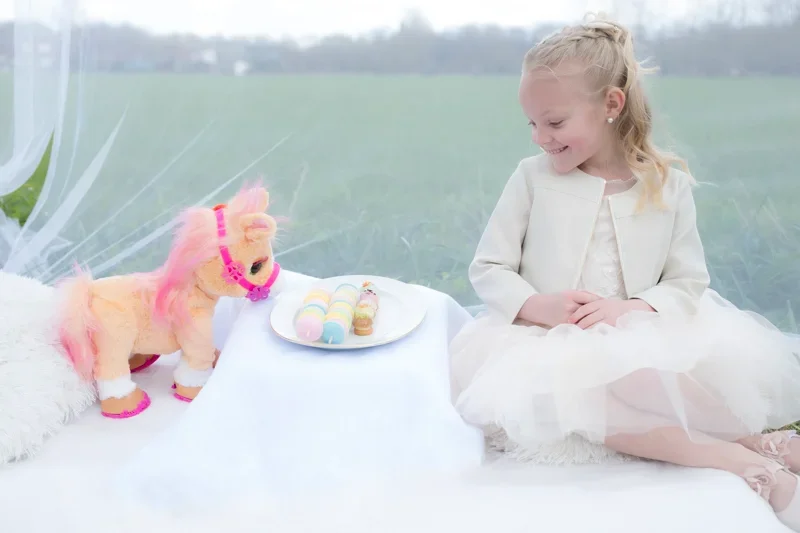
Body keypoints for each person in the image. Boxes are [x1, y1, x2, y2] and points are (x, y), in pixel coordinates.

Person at [449, 13, 800, 531]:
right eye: (532, 124)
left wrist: (631, 311)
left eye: (555, 122)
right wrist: (537, 305)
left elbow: (687, 280)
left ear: (611, 105)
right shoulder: (530, 179)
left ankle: (751, 441)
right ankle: (745, 459)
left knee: (640, 377)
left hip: (634, 333)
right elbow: (490, 266)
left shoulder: (666, 186)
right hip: (544, 341)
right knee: (579, 401)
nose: (540, 138)